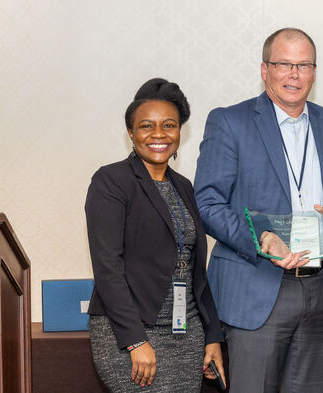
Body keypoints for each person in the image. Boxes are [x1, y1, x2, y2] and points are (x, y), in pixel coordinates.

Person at [194, 28, 323, 393]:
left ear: (314, 71)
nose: (294, 75)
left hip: (318, 288)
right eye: (284, 64)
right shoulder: (230, 121)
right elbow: (207, 203)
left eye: (303, 65)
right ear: (265, 69)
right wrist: (261, 238)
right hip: (257, 285)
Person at [85, 78, 225, 392]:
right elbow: (107, 268)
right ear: (131, 133)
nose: (159, 134)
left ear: (180, 132)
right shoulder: (111, 181)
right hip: (128, 335)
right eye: (147, 126)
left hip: (186, 333)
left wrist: (212, 335)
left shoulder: (184, 186)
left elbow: (195, 271)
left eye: (169, 125)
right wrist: (135, 341)